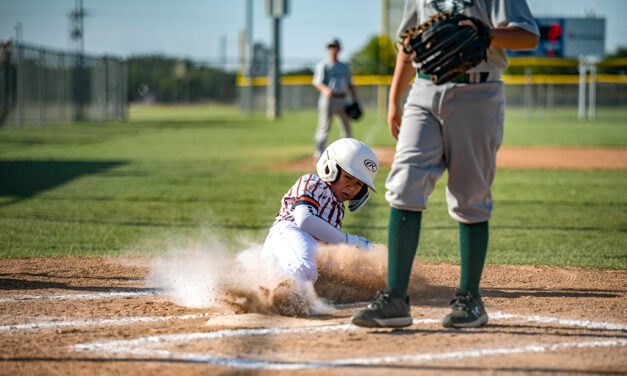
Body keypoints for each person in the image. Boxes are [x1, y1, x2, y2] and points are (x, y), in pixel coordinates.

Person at [352, 0, 539, 329]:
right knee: (404, 184)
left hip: (478, 91)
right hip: (423, 90)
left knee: (470, 195)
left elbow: (528, 36)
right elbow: (409, 43)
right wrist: (395, 98)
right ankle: (395, 298)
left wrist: (486, 32)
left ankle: (470, 298)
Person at [262, 138, 378, 290]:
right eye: (348, 177)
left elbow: (327, 245)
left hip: (304, 249)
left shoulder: (338, 210)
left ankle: (286, 290)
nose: (351, 187)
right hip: (288, 233)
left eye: (358, 184)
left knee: (347, 274)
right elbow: (305, 220)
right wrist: (351, 241)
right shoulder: (313, 182)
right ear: (330, 169)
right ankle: (280, 293)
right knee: (306, 268)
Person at [312, 38, 359, 162]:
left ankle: (349, 154)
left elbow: (350, 84)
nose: (333, 49)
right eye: (330, 46)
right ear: (327, 49)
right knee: (324, 126)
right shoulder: (323, 65)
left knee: (346, 126)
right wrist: (326, 90)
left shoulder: (344, 67)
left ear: (339, 48)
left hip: (343, 98)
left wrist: (355, 100)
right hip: (328, 99)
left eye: (335, 46)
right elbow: (317, 82)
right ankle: (319, 153)